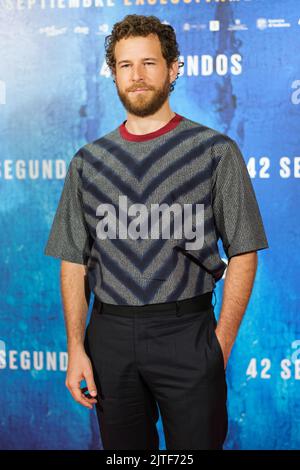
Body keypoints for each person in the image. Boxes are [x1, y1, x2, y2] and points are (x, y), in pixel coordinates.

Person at [44, 14, 269, 450]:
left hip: (187, 332)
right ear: (113, 73)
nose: (137, 76)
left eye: (149, 62)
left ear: (173, 68)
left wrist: (219, 345)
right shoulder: (88, 162)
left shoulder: (215, 152)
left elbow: (244, 251)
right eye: (126, 65)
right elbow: (73, 260)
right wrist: (76, 348)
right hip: (109, 335)